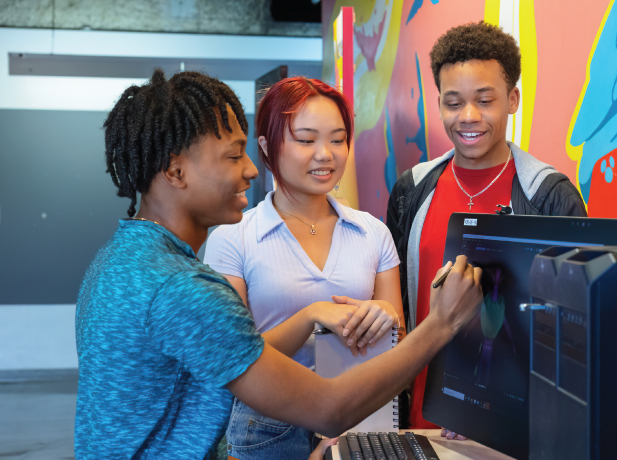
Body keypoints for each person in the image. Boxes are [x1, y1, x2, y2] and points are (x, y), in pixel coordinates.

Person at [75, 69, 483, 459]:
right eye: (234, 156)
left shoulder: (118, 258)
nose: (252, 169)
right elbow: (329, 408)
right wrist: (442, 322)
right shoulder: (181, 289)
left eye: (337, 139)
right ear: (175, 170)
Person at [386, 22, 588, 432]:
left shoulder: (551, 197)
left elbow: (575, 330)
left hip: (514, 431)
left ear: (512, 99)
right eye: (454, 102)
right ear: (439, 103)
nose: (469, 116)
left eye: (485, 99)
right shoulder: (411, 191)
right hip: (418, 423)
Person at [203, 76, 404, 460]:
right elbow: (230, 360)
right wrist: (311, 316)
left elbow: (396, 338)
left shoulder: (373, 232)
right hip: (267, 426)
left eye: (337, 138)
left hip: (359, 416)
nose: (325, 154)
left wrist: (386, 315)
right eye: (306, 139)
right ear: (266, 146)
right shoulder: (234, 237)